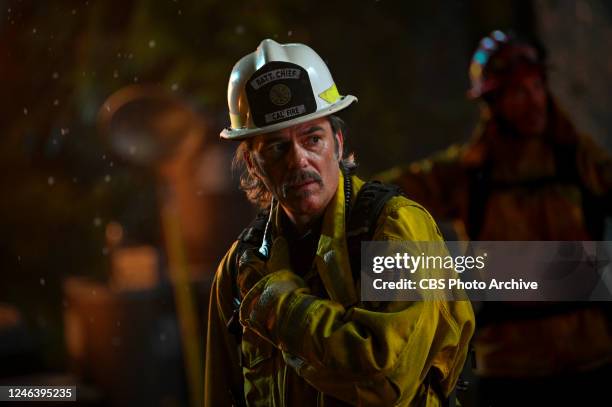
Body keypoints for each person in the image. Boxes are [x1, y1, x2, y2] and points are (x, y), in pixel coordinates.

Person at [205, 39, 474, 406]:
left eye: (312, 138)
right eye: (277, 147)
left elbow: (385, 384)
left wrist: (278, 307)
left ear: (338, 141)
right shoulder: (240, 266)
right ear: (254, 166)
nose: (299, 161)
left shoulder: (396, 227)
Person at [377, 30, 612, 405]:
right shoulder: (471, 173)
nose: (534, 101)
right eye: (519, 92)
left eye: (536, 87)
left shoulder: (578, 159)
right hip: (511, 369)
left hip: (591, 358)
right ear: (494, 102)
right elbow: (389, 192)